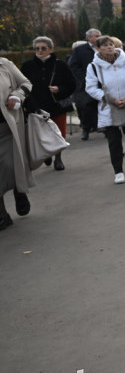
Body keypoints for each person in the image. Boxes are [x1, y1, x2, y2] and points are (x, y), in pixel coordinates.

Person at [86, 36, 125, 184]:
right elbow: (91, 88)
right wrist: (110, 99)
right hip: (108, 107)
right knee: (113, 141)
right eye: (105, 45)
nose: (109, 47)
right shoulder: (93, 66)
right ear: (98, 48)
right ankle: (118, 171)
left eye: (111, 44)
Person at [21, 36, 75, 171]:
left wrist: (59, 89)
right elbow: (22, 85)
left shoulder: (60, 65)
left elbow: (72, 84)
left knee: (59, 133)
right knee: (40, 133)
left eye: (43, 48)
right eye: (37, 48)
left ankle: (58, 158)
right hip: (36, 106)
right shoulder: (27, 66)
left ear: (50, 49)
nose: (40, 51)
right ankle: (46, 153)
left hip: (56, 105)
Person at [0, 57, 34, 229]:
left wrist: (17, 95)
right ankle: (2, 213)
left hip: (7, 127)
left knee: (10, 164)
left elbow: (26, 83)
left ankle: (19, 190)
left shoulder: (4, 64)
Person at [67, 28, 101, 140]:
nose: (99, 38)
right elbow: (73, 65)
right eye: (96, 36)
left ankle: (103, 127)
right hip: (85, 84)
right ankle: (86, 129)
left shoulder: (103, 48)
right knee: (86, 107)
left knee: (102, 105)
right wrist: (84, 77)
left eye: (99, 35)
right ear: (89, 38)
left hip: (102, 83)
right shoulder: (80, 50)